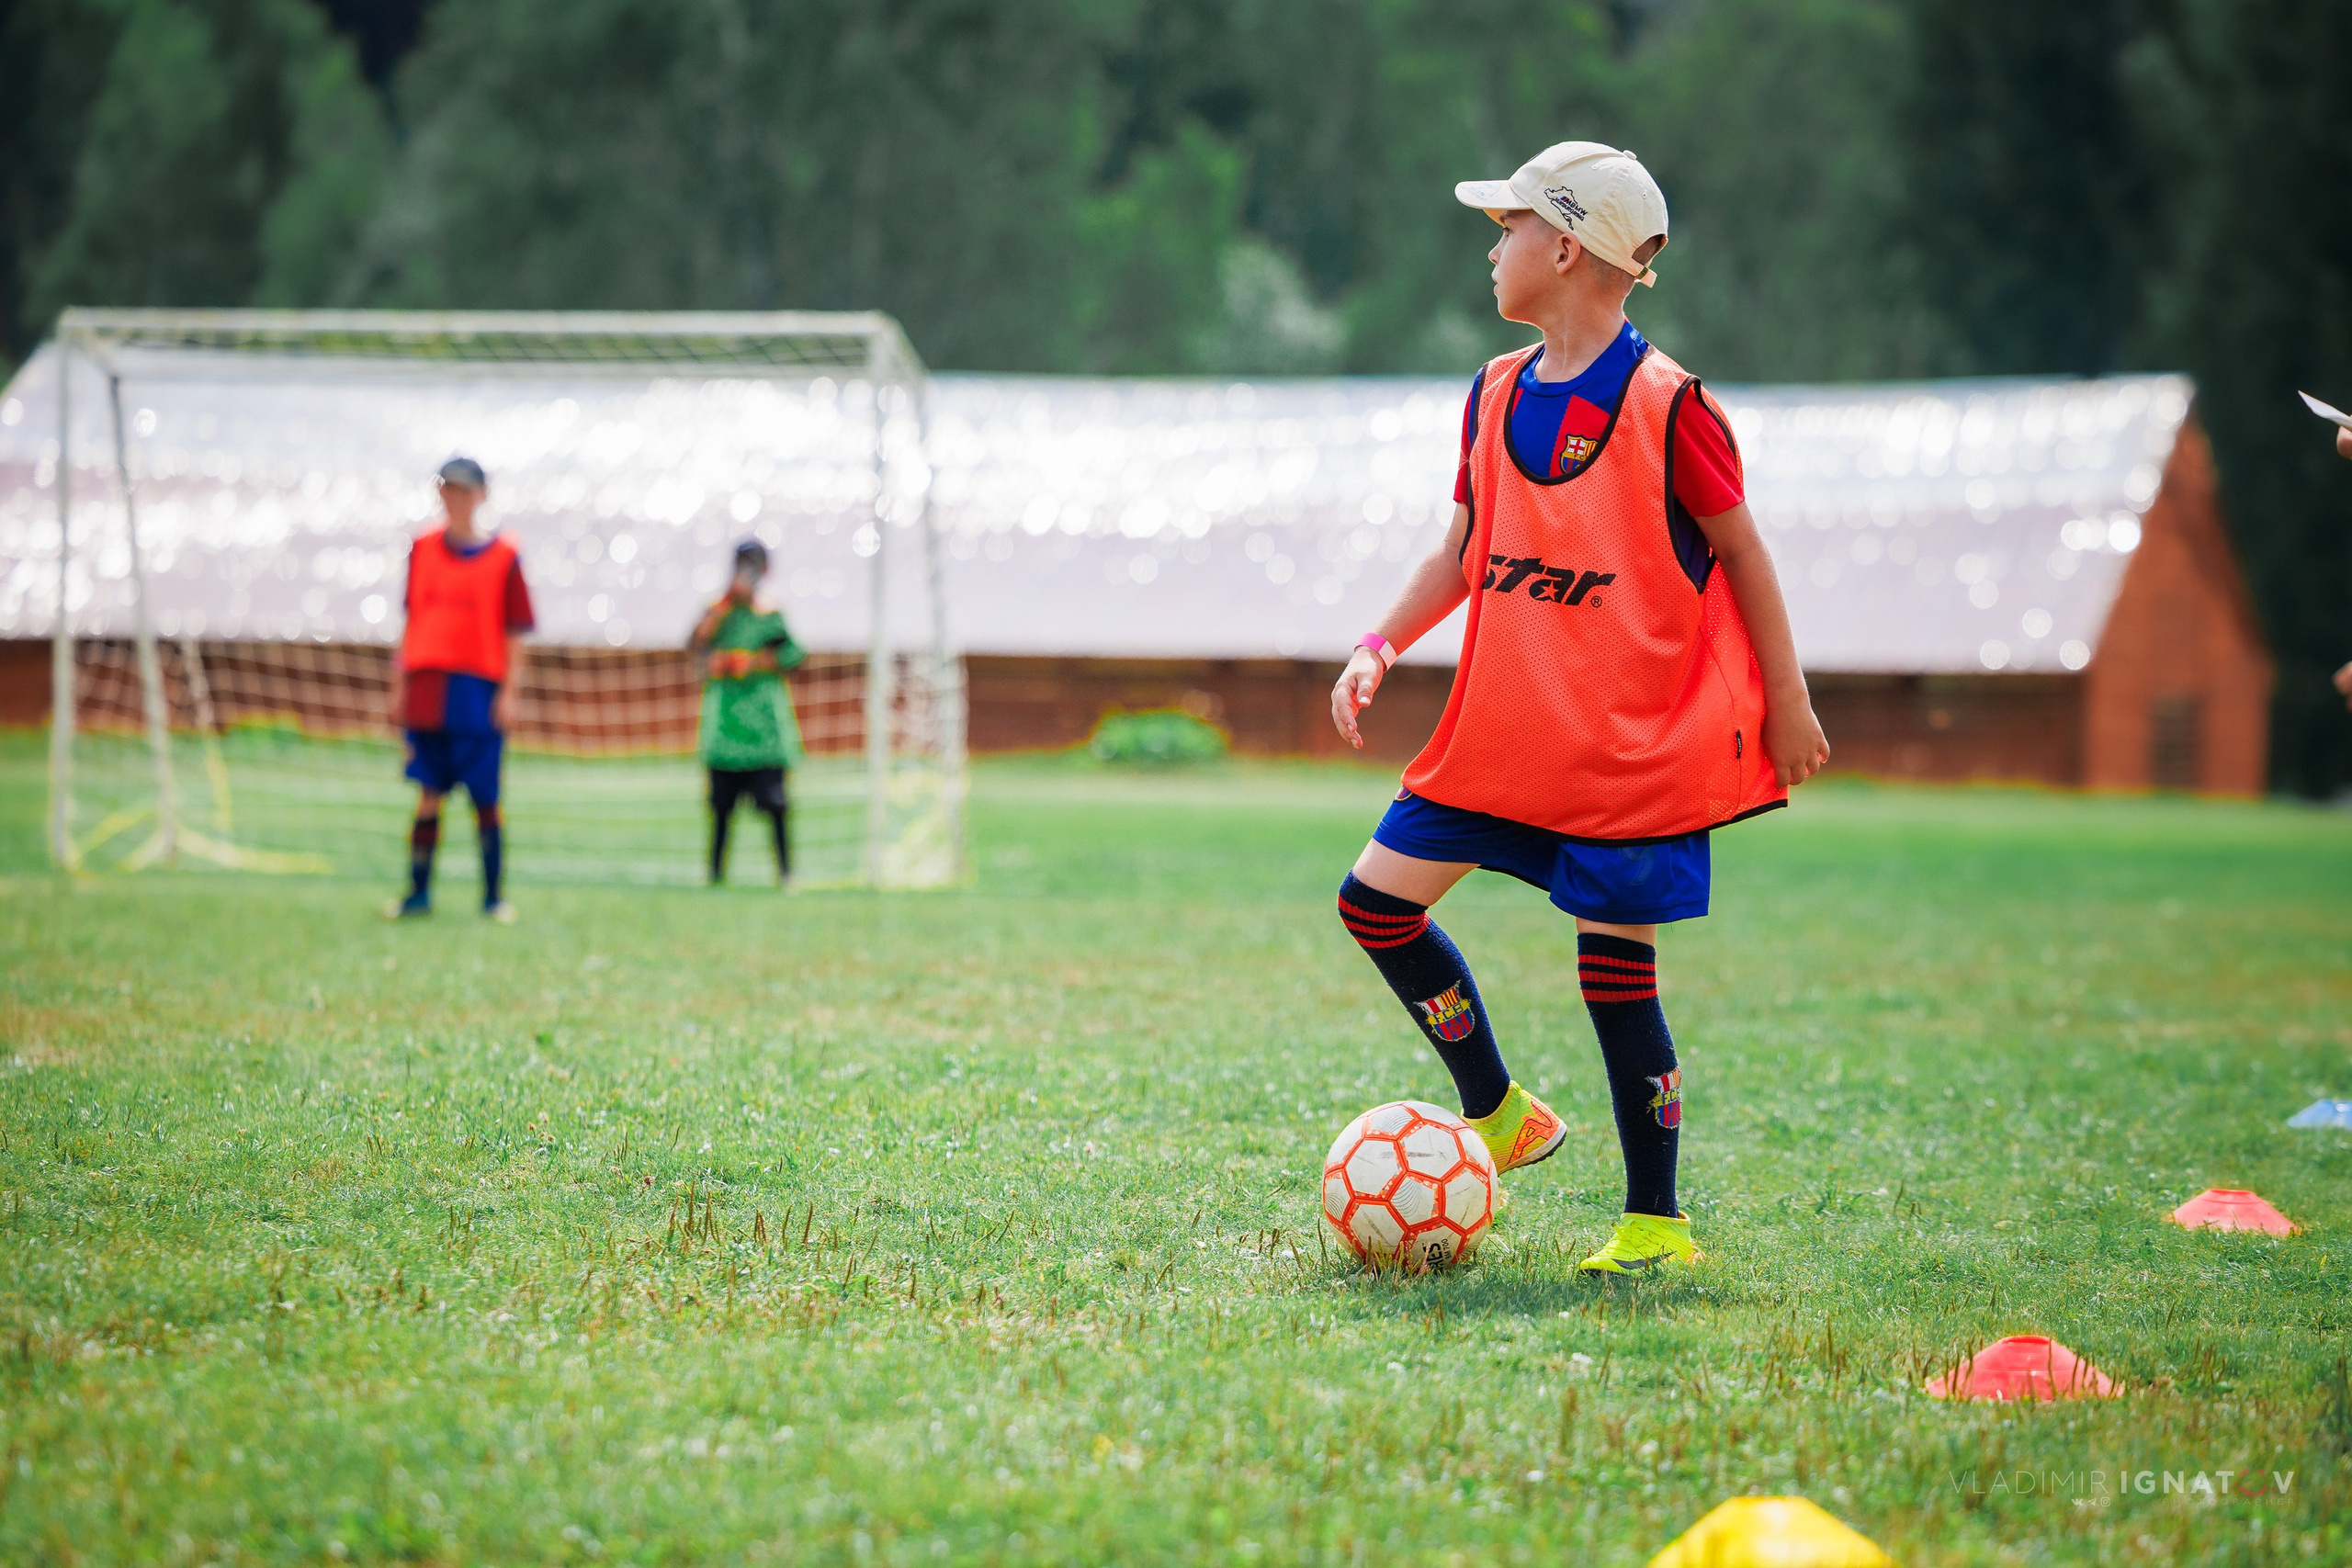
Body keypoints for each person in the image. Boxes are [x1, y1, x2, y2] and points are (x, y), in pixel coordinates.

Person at [1329, 141, 1829, 1275]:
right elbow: (1461, 550)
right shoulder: (1491, 391)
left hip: (1625, 754)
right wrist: (1378, 644)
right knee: (1374, 905)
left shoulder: (1671, 406)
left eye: (1506, 226)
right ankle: (1499, 1111)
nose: (1491, 247)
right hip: (1503, 735)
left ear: (1563, 249)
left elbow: (1745, 554)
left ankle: (1655, 1224)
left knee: (1613, 980)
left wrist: (1787, 702)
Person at [384, 457, 533, 922]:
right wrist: (398, 686)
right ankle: (417, 894)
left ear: (481, 496)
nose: (456, 498)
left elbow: (516, 632)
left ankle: (493, 898)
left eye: (465, 490)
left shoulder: (504, 556)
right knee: (429, 791)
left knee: (485, 796)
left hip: (478, 688)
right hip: (428, 685)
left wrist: (509, 692)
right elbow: (410, 621)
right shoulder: (421, 548)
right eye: (448, 489)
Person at [688, 540, 807, 885]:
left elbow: (794, 654)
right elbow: (694, 645)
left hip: (765, 728)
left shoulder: (770, 613)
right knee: (721, 807)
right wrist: (725, 605)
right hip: (725, 727)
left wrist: (753, 662)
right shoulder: (718, 611)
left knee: (776, 804)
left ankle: (786, 875)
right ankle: (715, 877)